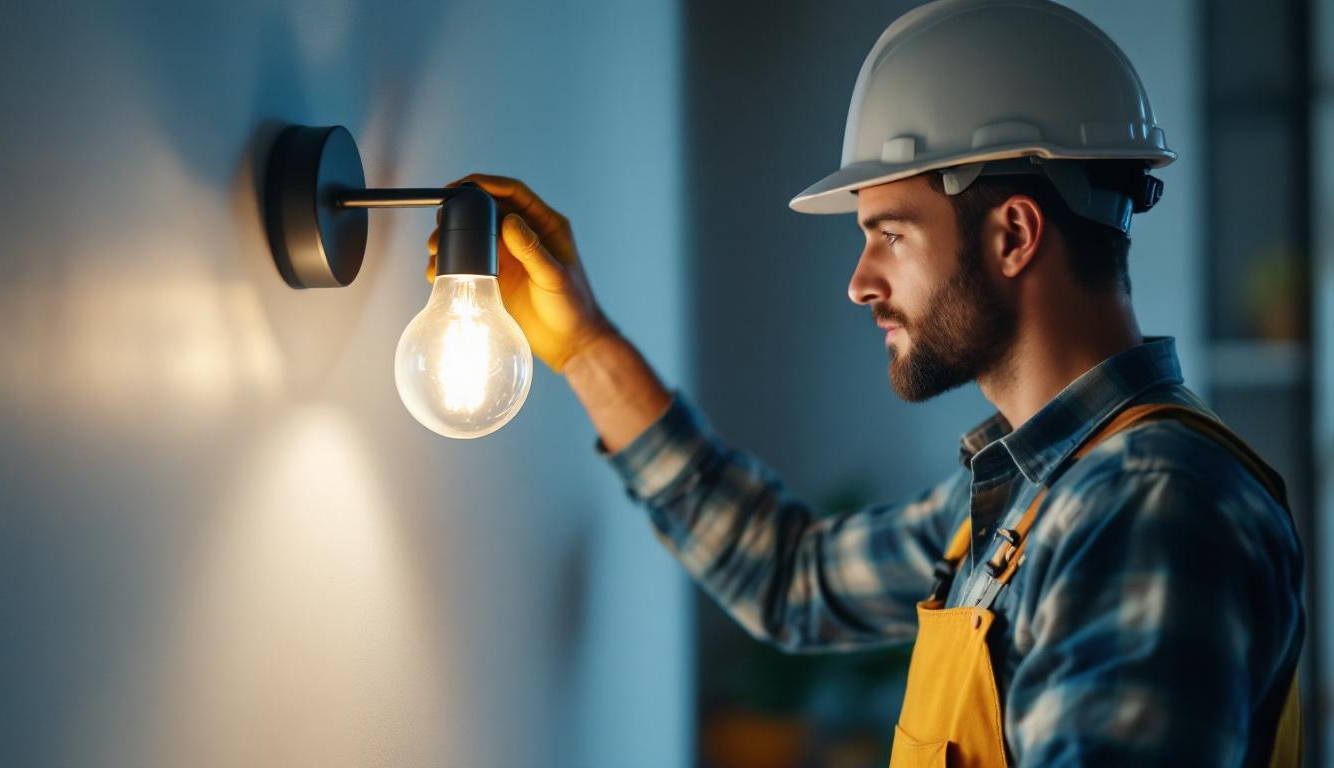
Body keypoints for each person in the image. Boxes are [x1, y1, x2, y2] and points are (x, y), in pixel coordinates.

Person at [428, 1, 1304, 764]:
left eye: (889, 233)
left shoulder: (1144, 507)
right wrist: (584, 345)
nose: (859, 281)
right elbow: (795, 577)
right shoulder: (1034, 495)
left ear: (1013, 235)